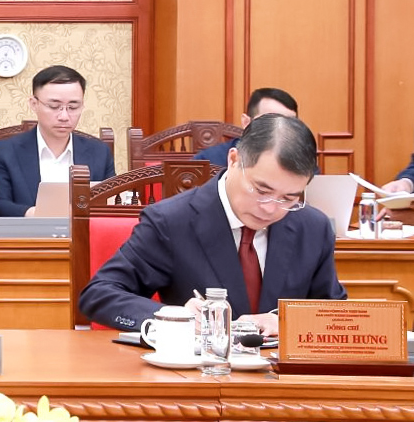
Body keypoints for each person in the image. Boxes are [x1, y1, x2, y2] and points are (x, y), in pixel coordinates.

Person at [78, 113, 345, 336]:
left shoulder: (313, 228)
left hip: (282, 377)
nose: (270, 208)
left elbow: (335, 315)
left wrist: (289, 322)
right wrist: (172, 316)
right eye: (261, 190)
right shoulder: (171, 221)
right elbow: (99, 295)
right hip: (195, 374)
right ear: (233, 160)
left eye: (288, 198)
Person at [0, 65, 116, 217]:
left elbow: (111, 201)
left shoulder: (99, 152)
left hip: (85, 232)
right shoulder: (6, 151)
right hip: (30, 230)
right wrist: (35, 215)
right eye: (54, 106)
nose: (64, 116)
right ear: (34, 104)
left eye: (73, 107)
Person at [191, 87, 299, 167]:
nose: (281, 128)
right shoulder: (209, 160)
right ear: (246, 122)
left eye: (289, 123)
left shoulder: (301, 160)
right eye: (269, 120)